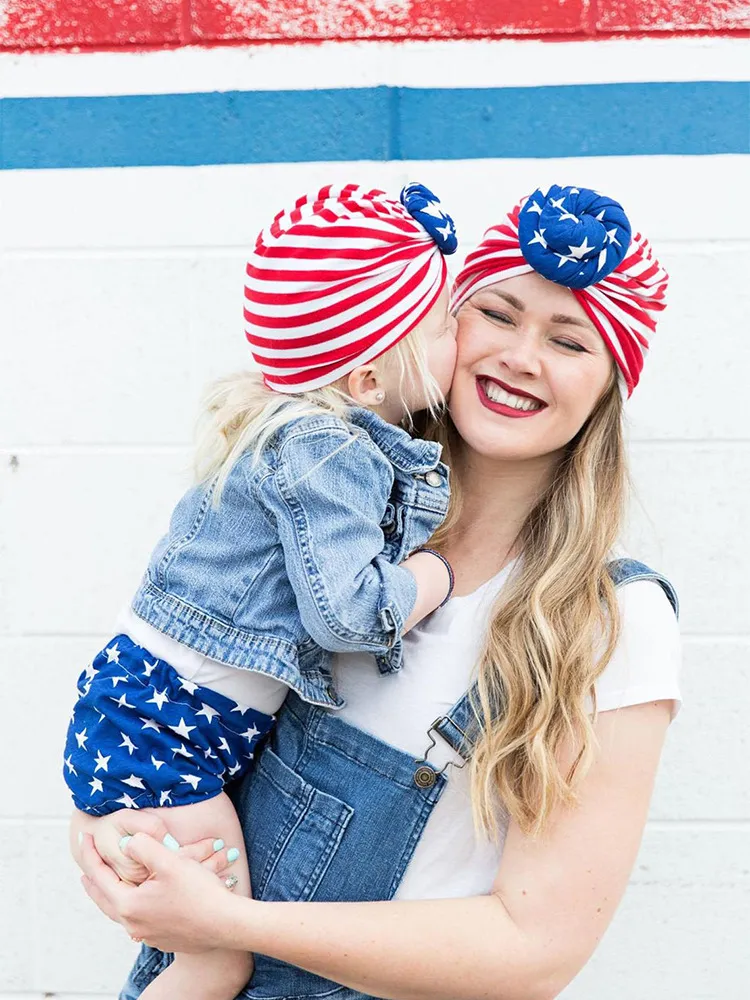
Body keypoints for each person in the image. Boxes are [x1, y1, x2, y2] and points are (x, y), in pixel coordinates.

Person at [77, 183, 681, 1000]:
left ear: (607, 390)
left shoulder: (611, 622)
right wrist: (110, 834)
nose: (521, 357)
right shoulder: (327, 523)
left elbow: (536, 950)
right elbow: (178, 710)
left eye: (570, 341)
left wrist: (226, 928)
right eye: (496, 314)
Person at [65, 181, 461, 1000]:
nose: (461, 336)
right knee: (215, 959)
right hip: (176, 737)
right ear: (366, 377)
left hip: (151, 719)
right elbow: (351, 613)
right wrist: (436, 574)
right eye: (444, 321)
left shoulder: (287, 431)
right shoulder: (326, 451)